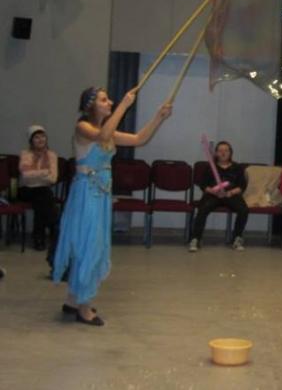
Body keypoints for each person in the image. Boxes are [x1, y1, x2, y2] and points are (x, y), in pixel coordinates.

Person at [53, 86, 172, 326]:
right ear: (91, 105)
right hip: (87, 194)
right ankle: (83, 307)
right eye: (104, 100)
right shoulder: (83, 127)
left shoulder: (106, 130)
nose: (110, 102)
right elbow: (102, 136)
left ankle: (73, 300)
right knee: (89, 246)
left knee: (89, 244)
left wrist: (158, 117)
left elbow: (139, 139)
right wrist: (124, 106)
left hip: (100, 195)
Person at [188, 141, 249, 252]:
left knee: (243, 210)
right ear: (216, 153)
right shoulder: (210, 167)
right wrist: (213, 191)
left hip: (231, 194)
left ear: (230, 153)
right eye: (220, 150)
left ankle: (237, 238)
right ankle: (196, 239)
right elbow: (203, 185)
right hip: (213, 195)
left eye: (226, 150)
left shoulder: (237, 167)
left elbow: (242, 186)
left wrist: (230, 193)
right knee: (202, 208)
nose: (223, 153)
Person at [18, 125, 59, 253]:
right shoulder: (26, 154)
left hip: (42, 192)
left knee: (42, 199)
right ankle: (54, 229)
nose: (40, 140)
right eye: (36, 137)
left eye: (43, 136)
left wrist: (35, 173)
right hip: (26, 190)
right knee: (44, 195)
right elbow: (25, 176)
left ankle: (39, 237)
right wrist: (45, 172)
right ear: (31, 140)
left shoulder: (52, 155)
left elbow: (53, 178)